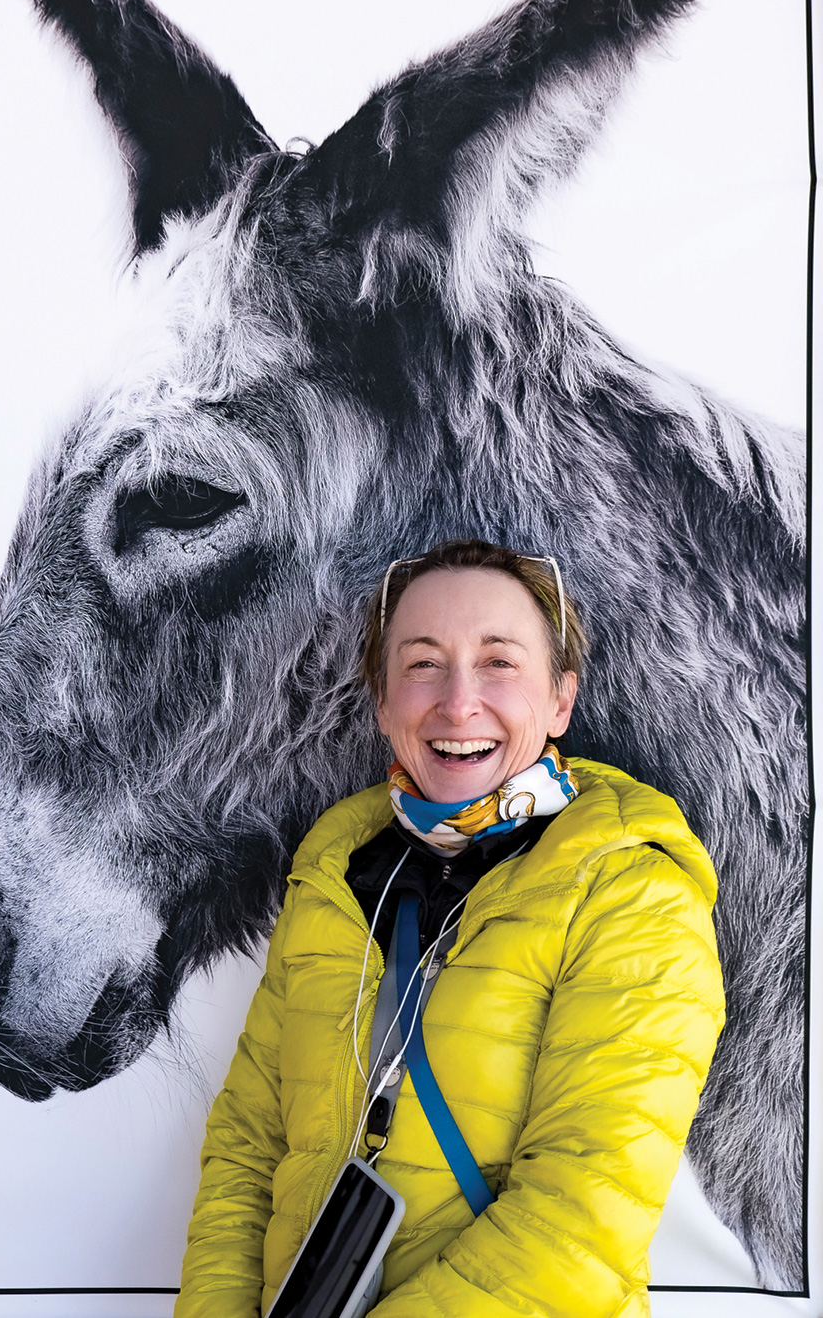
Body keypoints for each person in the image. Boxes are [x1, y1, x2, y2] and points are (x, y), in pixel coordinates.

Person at [175, 539, 725, 1318]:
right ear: (382, 699)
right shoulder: (334, 869)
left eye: (499, 662)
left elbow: (580, 1224)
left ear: (561, 700)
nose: (458, 702)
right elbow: (247, 1147)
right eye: (423, 663)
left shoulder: (631, 887)